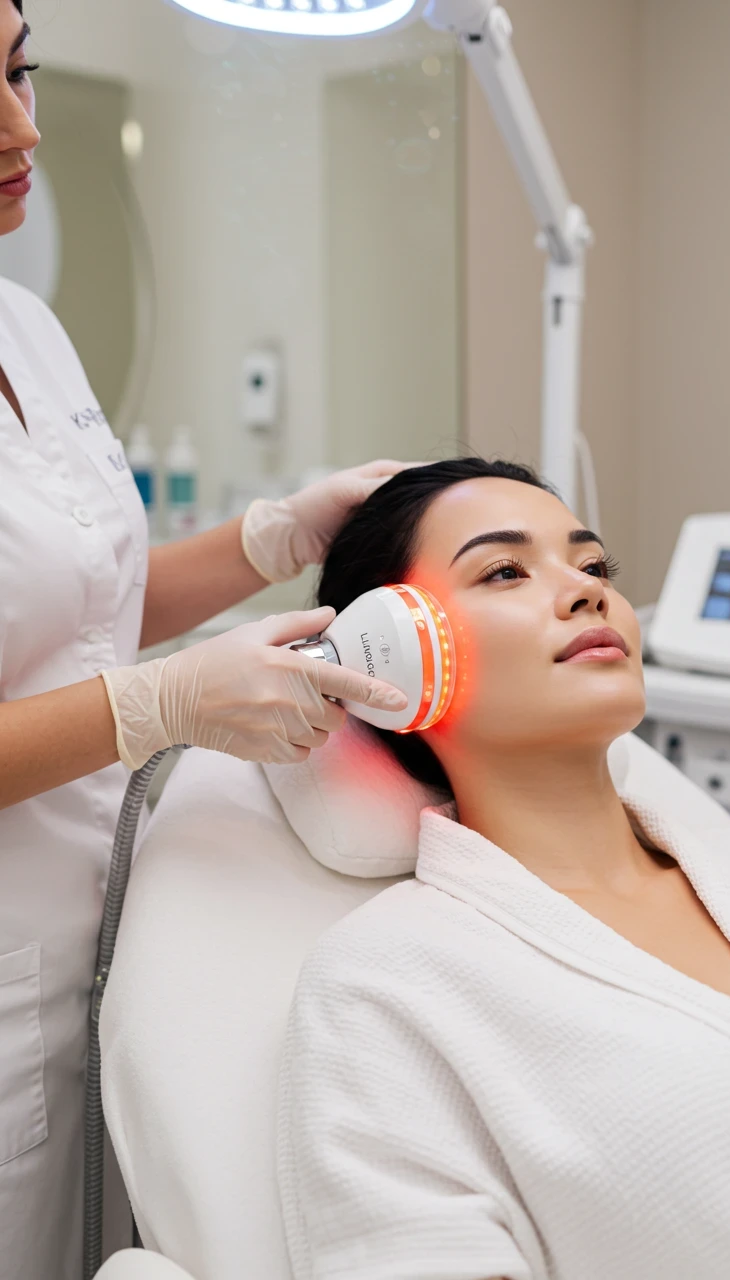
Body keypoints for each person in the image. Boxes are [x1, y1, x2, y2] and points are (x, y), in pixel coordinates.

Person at [0, 7, 409, 1277]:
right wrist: (158, 708)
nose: (24, 125)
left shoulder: (25, 322)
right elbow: (117, 669)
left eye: (16, 68)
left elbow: (86, 596)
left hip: (112, 934)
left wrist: (278, 531)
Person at [280, 458, 730, 1280]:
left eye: (594, 564)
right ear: (391, 658)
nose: (585, 590)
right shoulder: (386, 987)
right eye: (505, 570)